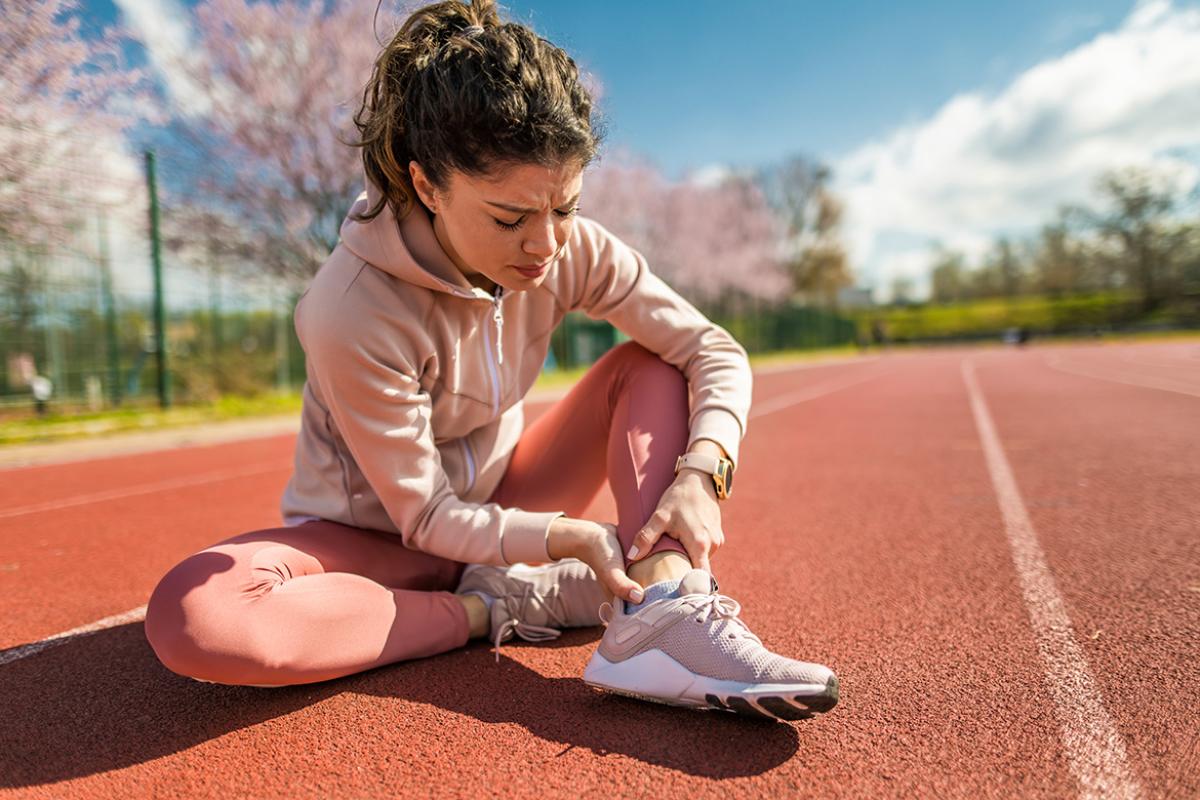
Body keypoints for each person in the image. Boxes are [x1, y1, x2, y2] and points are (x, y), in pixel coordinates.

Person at [143, 0, 838, 722]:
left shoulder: (571, 249)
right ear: (426, 186)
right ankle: (491, 605)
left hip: (510, 496)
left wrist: (704, 471)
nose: (546, 244)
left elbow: (711, 348)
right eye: (510, 218)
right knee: (194, 614)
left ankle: (662, 612)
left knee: (653, 362)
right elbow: (425, 516)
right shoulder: (349, 307)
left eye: (565, 207)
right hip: (379, 540)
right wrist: (554, 544)